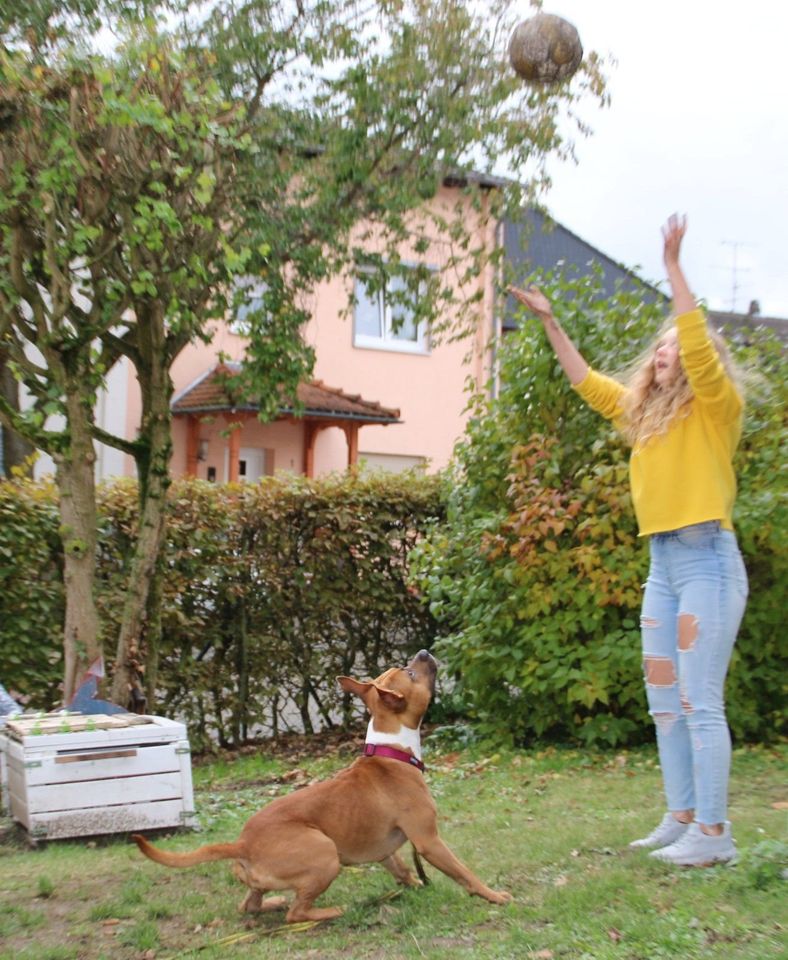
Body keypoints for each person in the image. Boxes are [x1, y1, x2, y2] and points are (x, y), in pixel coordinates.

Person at [508, 214, 748, 867]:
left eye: (677, 346)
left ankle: (715, 837)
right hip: (664, 566)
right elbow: (587, 382)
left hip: (708, 563)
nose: (666, 350)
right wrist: (550, 320)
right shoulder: (642, 414)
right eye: (661, 345)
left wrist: (673, 269)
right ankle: (682, 816)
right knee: (665, 700)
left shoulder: (717, 409)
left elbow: (698, 341)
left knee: (700, 699)